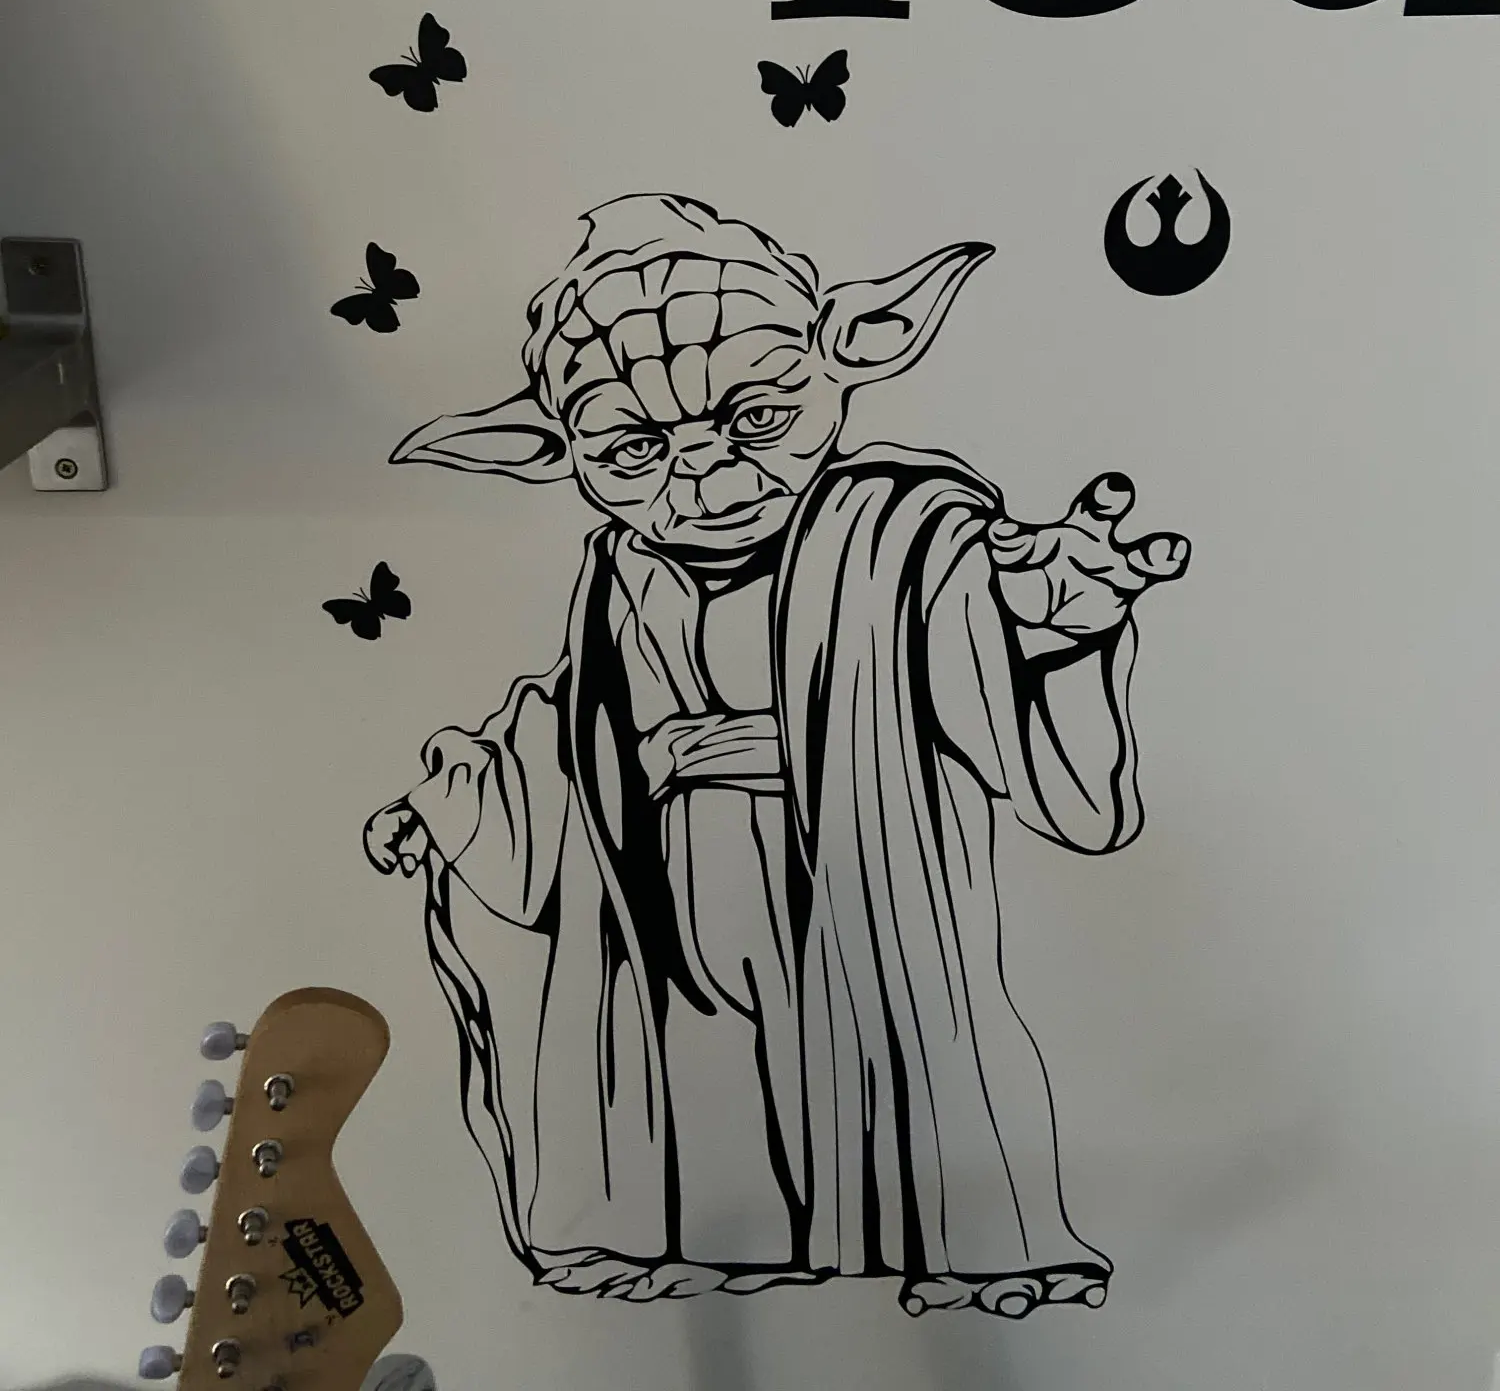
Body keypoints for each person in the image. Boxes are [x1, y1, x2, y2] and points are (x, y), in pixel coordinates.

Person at [364, 193, 1189, 1315]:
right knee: (697, 1083)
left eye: (756, 418)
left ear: (853, 355)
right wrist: (457, 804)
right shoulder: (616, 574)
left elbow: (976, 638)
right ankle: (697, 1237)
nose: (705, 476)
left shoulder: (895, 534)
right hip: (664, 902)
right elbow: (571, 725)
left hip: (843, 874)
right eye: (637, 447)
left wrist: (1056, 626)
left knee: (873, 1058)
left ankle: (964, 1249)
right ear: (554, 452)